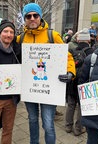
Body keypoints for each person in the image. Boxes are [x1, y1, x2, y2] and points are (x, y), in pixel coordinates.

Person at [16, 3, 76, 144]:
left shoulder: (52, 35)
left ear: (40, 17)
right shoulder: (21, 37)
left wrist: (70, 72)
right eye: (28, 16)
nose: (32, 18)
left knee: (48, 123)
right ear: (24, 18)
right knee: (32, 120)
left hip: (49, 89)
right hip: (30, 88)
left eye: (35, 15)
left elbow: (67, 56)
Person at [65, 28, 93, 136]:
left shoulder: (72, 50)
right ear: (88, 40)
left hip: (72, 81)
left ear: (78, 39)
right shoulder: (92, 52)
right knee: (82, 106)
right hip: (85, 82)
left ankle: (68, 126)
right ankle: (78, 128)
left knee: (71, 104)